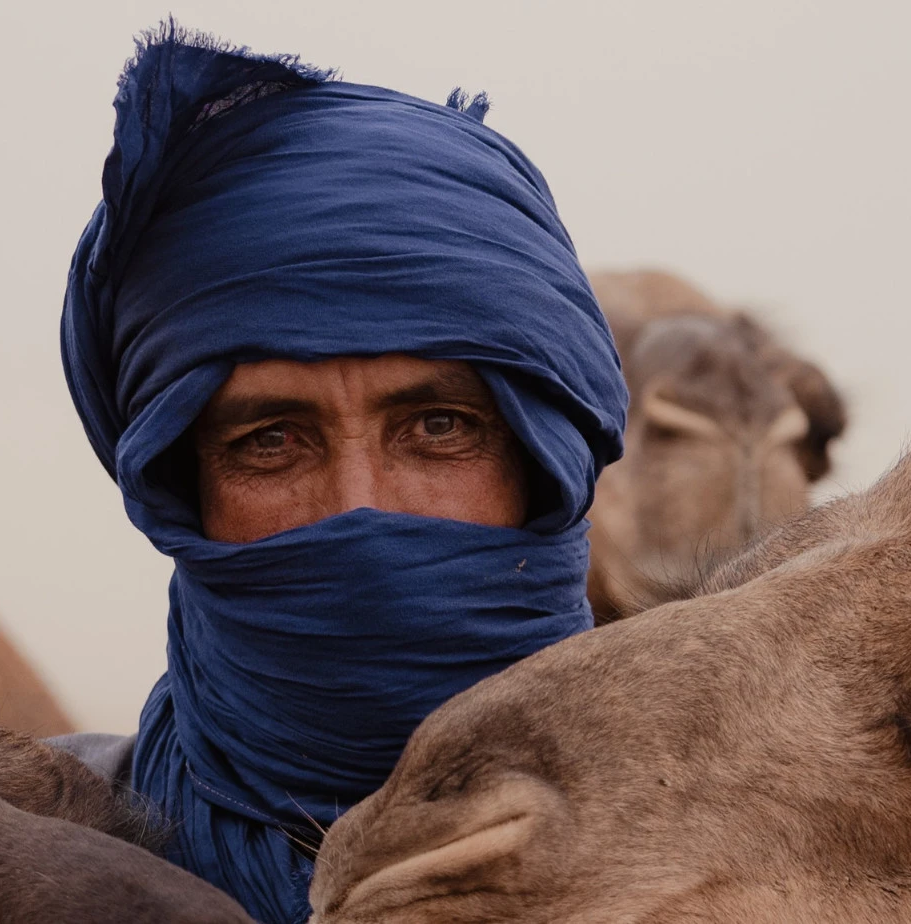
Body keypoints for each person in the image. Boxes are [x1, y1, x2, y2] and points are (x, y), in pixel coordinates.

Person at [55, 24, 628, 924]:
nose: (360, 511)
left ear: (546, 460)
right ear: (179, 488)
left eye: (439, 427)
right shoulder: (19, 862)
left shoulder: (789, 860)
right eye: (269, 443)